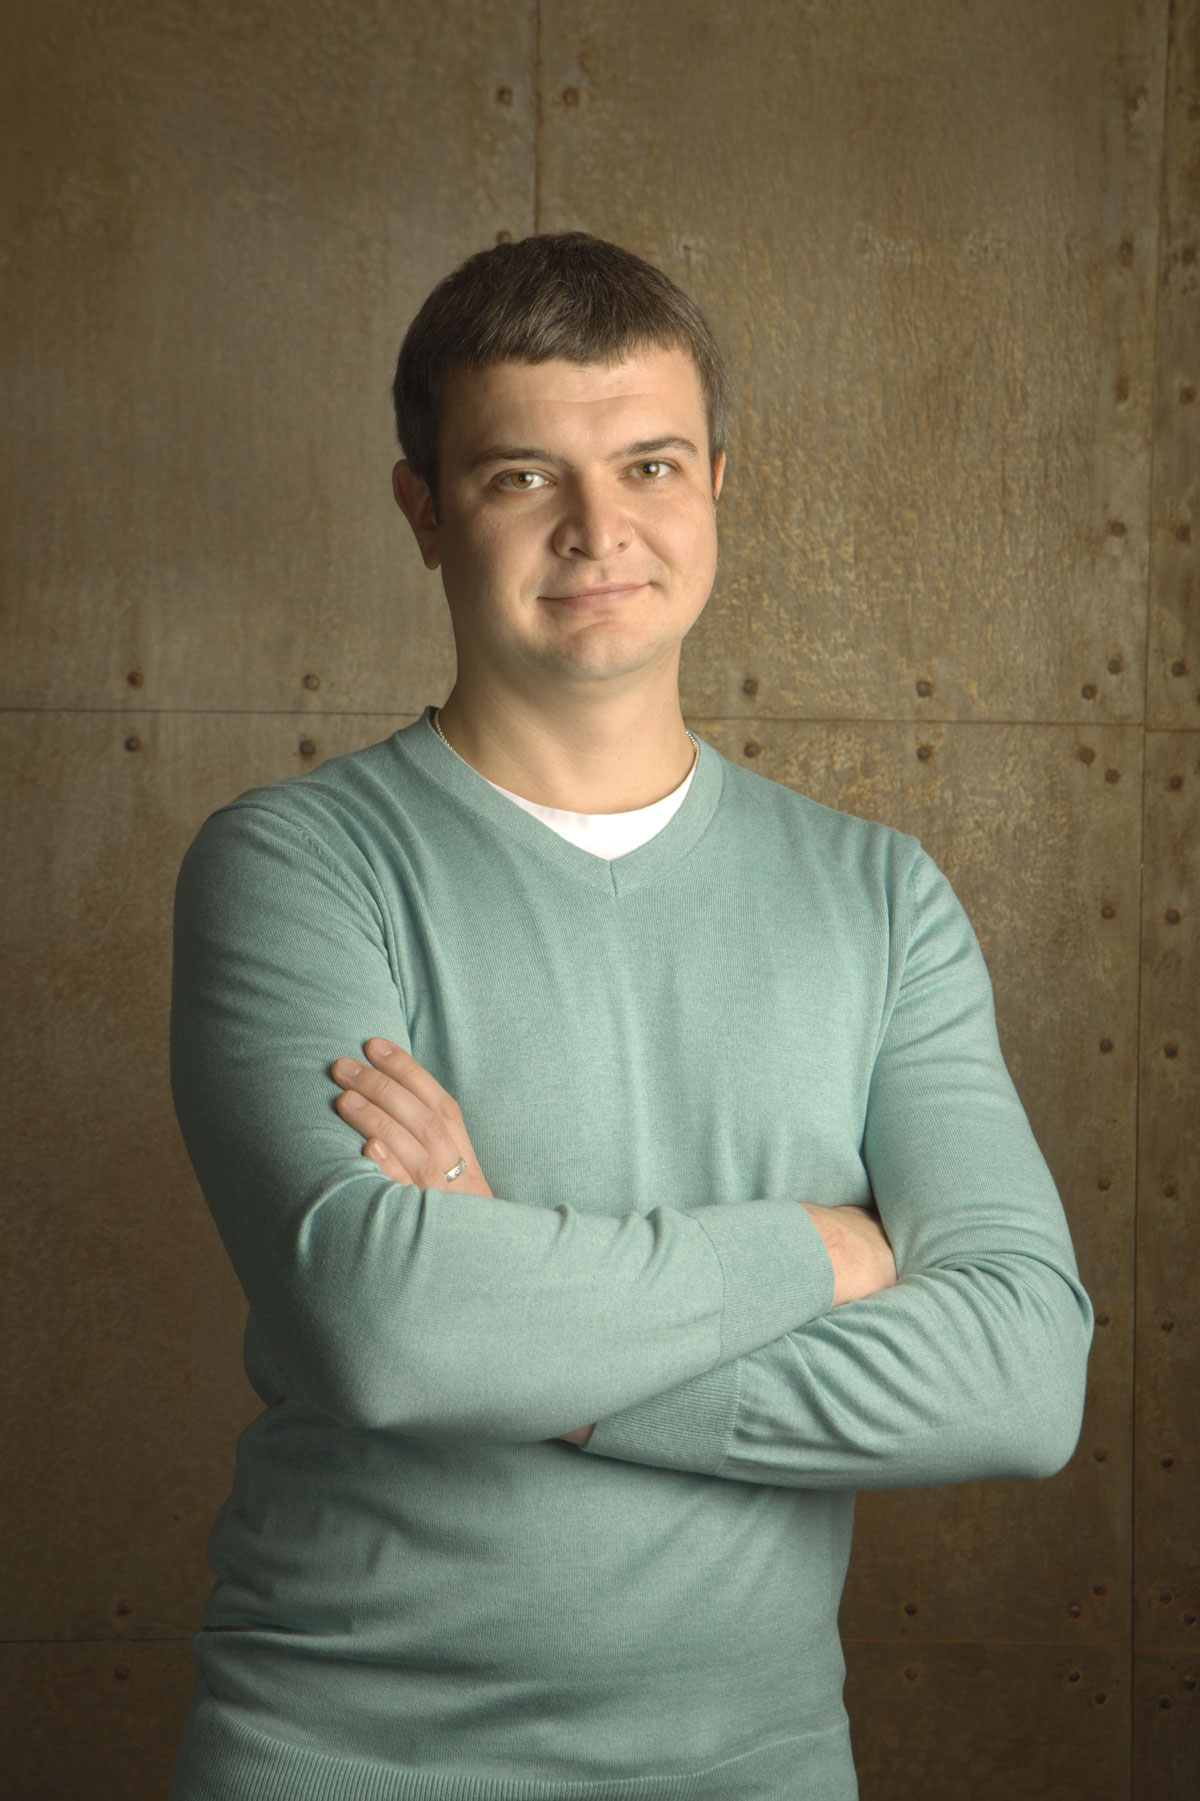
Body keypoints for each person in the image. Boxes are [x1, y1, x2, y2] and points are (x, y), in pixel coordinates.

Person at [167, 232, 1093, 1801]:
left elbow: (1021, 1375)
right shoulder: (295, 866)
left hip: (757, 1764)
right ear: (424, 512)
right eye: (523, 476)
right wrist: (814, 1250)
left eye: (650, 464)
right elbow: (387, 1328)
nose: (599, 529)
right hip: (345, 1752)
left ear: (717, 483)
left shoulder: (880, 897)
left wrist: (520, 1323)